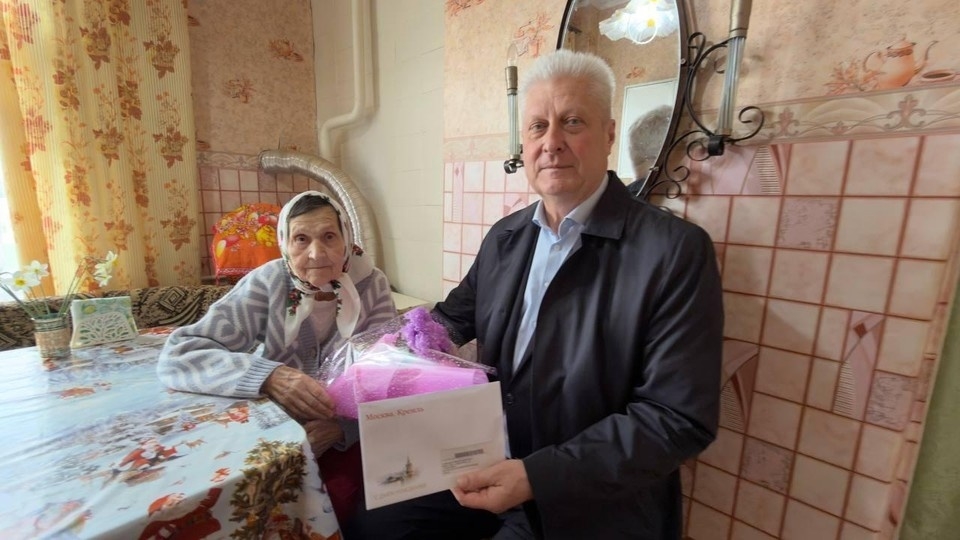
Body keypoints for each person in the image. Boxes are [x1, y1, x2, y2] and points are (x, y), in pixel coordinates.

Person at [344, 50, 723, 539]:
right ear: (523, 143)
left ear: (608, 134)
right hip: (488, 455)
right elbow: (451, 318)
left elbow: (677, 418)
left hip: (590, 495)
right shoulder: (506, 238)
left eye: (572, 122)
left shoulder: (673, 250)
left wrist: (536, 477)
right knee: (373, 524)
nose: (552, 143)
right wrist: (385, 359)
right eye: (538, 127)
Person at [157, 190, 397, 523]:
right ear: (284, 243)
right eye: (301, 239)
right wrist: (269, 376)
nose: (316, 253)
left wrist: (342, 428)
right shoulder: (269, 282)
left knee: (349, 507)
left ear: (347, 239)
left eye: (329, 236)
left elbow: (389, 373)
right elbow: (180, 354)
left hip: (347, 433)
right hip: (275, 432)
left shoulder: (372, 285)